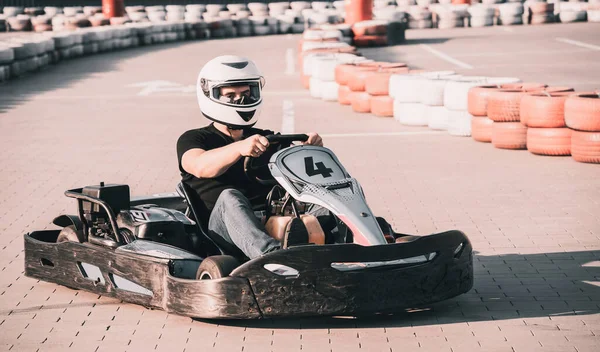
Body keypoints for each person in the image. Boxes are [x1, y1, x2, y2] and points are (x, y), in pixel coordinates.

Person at [177, 55, 324, 259]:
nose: (241, 100)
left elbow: (300, 172)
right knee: (231, 196)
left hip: (271, 218)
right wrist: (240, 148)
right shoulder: (194, 138)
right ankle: (273, 257)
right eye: (231, 95)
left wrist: (310, 148)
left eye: (246, 93)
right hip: (221, 230)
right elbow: (201, 166)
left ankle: (361, 243)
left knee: (320, 196)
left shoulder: (265, 137)